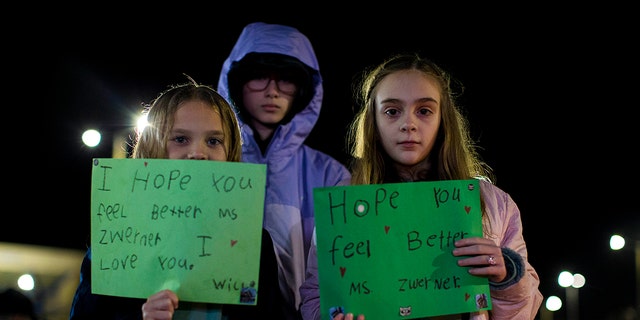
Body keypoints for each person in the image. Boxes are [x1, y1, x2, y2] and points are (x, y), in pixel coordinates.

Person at [298, 53, 543, 320]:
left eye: (424, 110)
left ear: (443, 118)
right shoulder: (343, 207)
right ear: (373, 120)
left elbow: (525, 310)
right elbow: (314, 297)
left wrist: (506, 276)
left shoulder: (492, 204)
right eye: (392, 111)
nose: (409, 124)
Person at [69, 77, 285, 320]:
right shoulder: (114, 242)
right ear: (153, 147)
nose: (198, 153)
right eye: (180, 139)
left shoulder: (254, 242)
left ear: (231, 151)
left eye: (214, 141)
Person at [217, 22, 351, 320]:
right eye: (259, 77)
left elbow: (338, 271)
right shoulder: (213, 164)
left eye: (286, 80)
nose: (272, 92)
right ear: (236, 82)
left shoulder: (331, 176)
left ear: (304, 89)